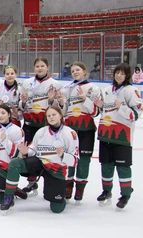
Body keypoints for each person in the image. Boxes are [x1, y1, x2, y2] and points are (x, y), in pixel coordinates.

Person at [0, 106, 79, 215]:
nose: (51, 117)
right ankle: (8, 197)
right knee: (15, 163)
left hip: (56, 169)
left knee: (57, 209)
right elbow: (33, 150)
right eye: (48, 116)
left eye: (54, 115)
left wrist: (63, 155)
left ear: (60, 116)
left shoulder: (70, 133)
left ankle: (61, 194)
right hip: (40, 163)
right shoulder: (41, 131)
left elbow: (75, 161)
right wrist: (26, 152)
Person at [93, 63, 142, 209]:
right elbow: (103, 112)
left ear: (127, 75)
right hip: (105, 134)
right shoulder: (107, 90)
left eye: (122, 73)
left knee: (123, 166)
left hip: (122, 136)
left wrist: (121, 107)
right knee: (106, 165)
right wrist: (101, 106)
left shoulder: (131, 91)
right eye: (117, 72)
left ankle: (126, 194)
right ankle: (106, 191)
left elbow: (135, 114)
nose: (119, 75)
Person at [56, 61, 100, 203]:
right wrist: (61, 102)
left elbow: (95, 112)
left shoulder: (93, 88)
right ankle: (68, 186)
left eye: (78, 70)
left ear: (84, 71)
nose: (75, 72)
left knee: (84, 159)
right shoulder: (67, 89)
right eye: (73, 71)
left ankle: (80, 188)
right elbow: (63, 113)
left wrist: (85, 99)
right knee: (69, 156)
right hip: (70, 129)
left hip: (86, 129)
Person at [18, 57, 62, 194]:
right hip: (30, 124)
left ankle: (50, 181)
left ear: (47, 67)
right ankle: (31, 182)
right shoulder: (26, 83)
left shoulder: (55, 84)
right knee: (28, 152)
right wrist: (23, 102)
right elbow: (21, 106)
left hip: (46, 125)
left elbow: (59, 108)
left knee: (47, 152)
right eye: (37, 66)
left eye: (42, 66)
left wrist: (51, 100)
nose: (40, 68)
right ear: (34, 68)